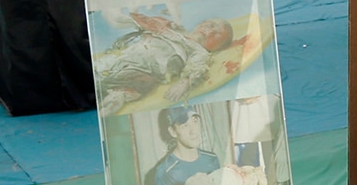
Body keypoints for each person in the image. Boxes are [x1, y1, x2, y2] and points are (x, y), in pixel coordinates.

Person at [92, 10, 248, 115]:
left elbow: (197, 67)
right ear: (200, 24)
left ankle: (115, 97)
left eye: (218, 34)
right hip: (124, 58)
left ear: (218, 47)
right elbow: (142, 23)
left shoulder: (199, 51)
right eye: (210, 25)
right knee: (102, 68)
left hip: (146, 70)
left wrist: (186, 82)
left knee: (135, 85)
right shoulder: (171, 29)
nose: (211, 31)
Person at [147, 105, 222, 185]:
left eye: (195, 121)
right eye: (185, 126)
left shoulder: (212, 159)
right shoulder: (165, 172)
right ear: (173, 132)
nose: (193, 131)